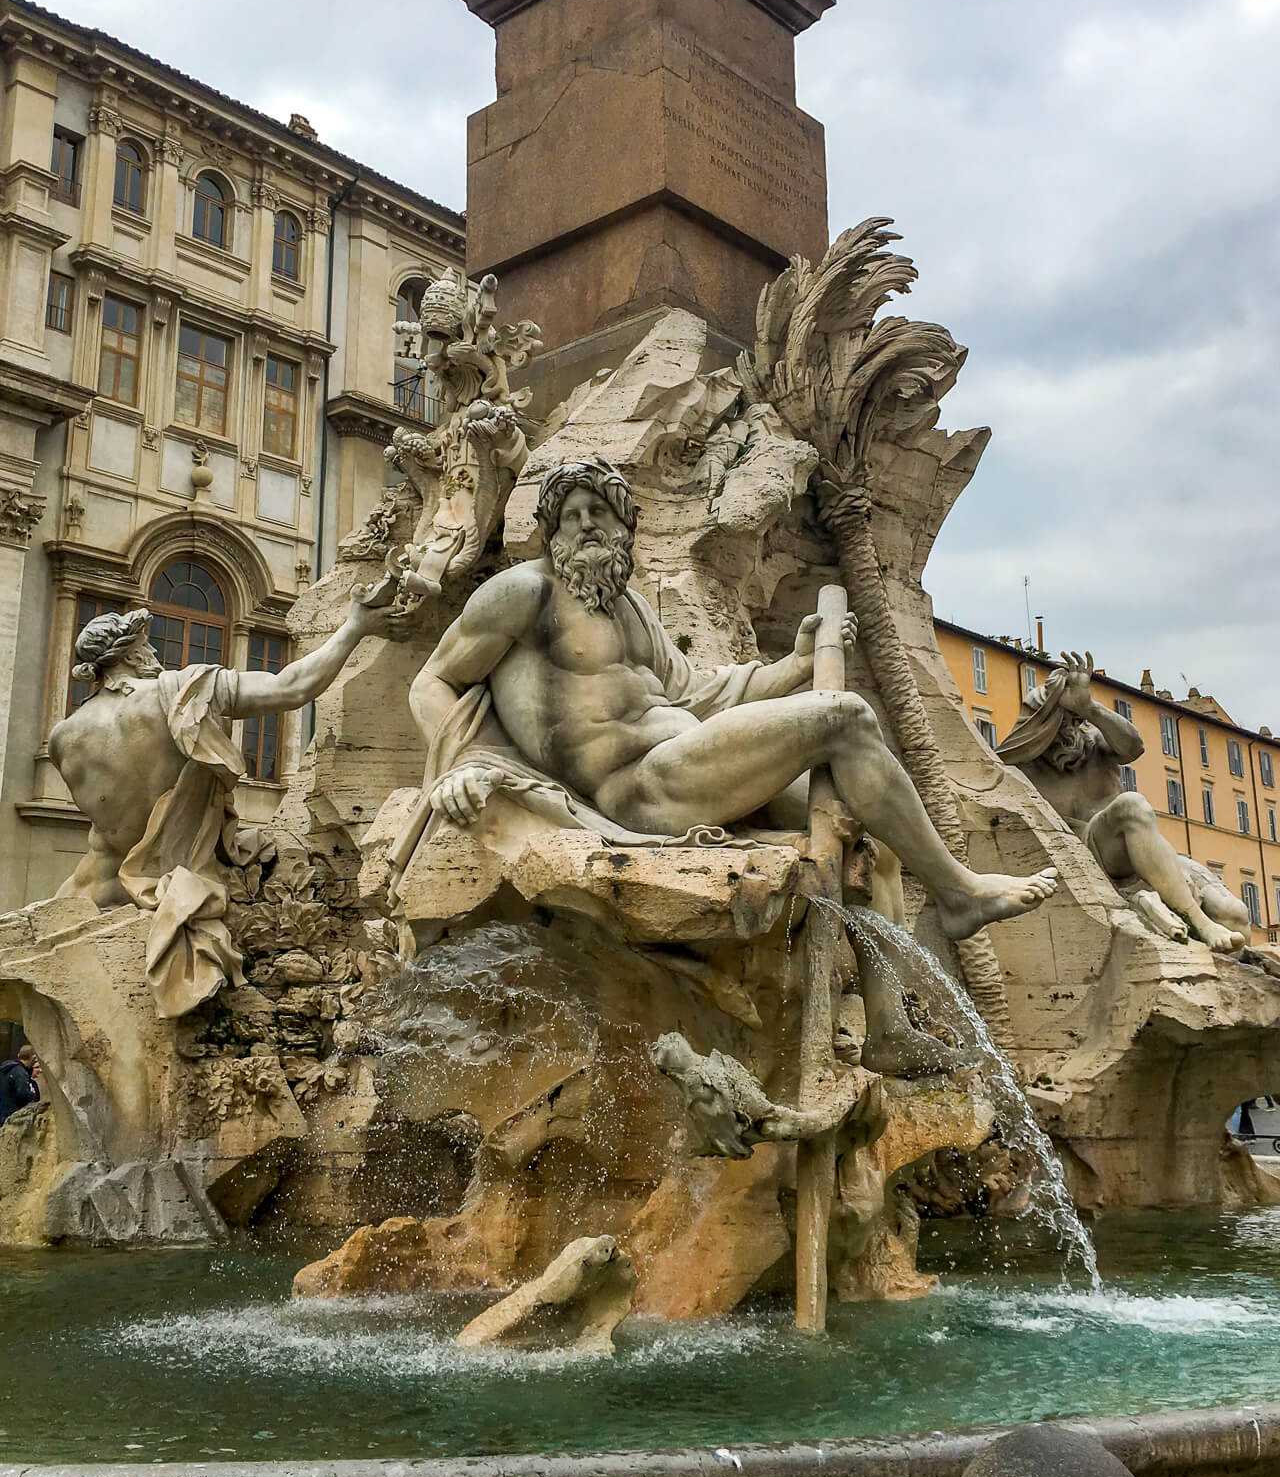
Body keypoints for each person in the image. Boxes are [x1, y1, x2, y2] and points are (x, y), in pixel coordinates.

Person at [410, 459, 1059, 952]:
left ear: (623, 526)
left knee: (877, 840)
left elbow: (700, 692)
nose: (584, 525)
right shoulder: (524, 594)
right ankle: (959, 892)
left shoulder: (632, 608)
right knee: (846, 717)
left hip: (689, 760)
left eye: (598, 512)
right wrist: (461, 765)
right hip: (640, 789)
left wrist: (797, 664)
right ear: (550, 532)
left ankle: (885, 1028)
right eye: (569, 515)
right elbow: (432, 682)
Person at [50, 582, 395, 1016]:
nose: (156, 655)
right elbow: (292, 688)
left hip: (91, 898)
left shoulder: (64, 736)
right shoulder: (180, 692)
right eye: (148, 647)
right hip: (177, 889)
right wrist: (355, 626)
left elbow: (112, 817)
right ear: (133, 654)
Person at [997, 651, 1249, 953]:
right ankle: (1198, 921)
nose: (1069, 731)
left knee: (1236, 916)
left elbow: (1134, 746)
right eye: (1058, 723)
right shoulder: (1024, 770)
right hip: (1095, 854)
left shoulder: (1098, 746)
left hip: (1145, 849)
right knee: (1131, 804)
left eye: (1073, 722)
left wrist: (1089, 707)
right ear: (1039, 729)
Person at [0, 1043, 40, 1127]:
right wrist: (32, 1094)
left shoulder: (9, 1069)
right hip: (14, 1116)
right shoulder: (20, 1072)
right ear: (32, 1057)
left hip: (5, 1113)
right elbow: (22, 1094)